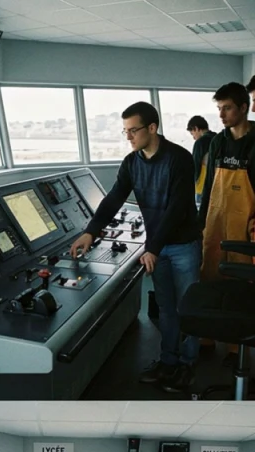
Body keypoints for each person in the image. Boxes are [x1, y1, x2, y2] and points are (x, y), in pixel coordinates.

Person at [70, 101, 201, 392]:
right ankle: (168, 361)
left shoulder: (179, 159)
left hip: (181, 246)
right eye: (125, 131)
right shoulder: (131, 163)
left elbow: (177, 209)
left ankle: (188, 365)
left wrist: (152, 246)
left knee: (187, 309)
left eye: (133, 131)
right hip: (158, 247)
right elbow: (115, 197)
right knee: (166, 309)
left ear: (152, 128)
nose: (128, 137)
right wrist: (91, 231)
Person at [198, 82, 255, 283]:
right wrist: (201, 222)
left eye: (227, 108)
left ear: (243, 107)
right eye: (219, 109)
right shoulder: (218, 143)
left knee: (245, 279)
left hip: (247, 227)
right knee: (214, 275)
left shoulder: (253, 143)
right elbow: (208, 187)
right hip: (217, 223)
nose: (221, 115)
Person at [190, 115, 213, 208]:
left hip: (202, 187)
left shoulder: (200, 143)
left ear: (196, 128)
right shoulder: (218, 138)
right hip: (216, 187)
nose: (193, 138)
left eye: (192, 133)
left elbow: (195, 166)